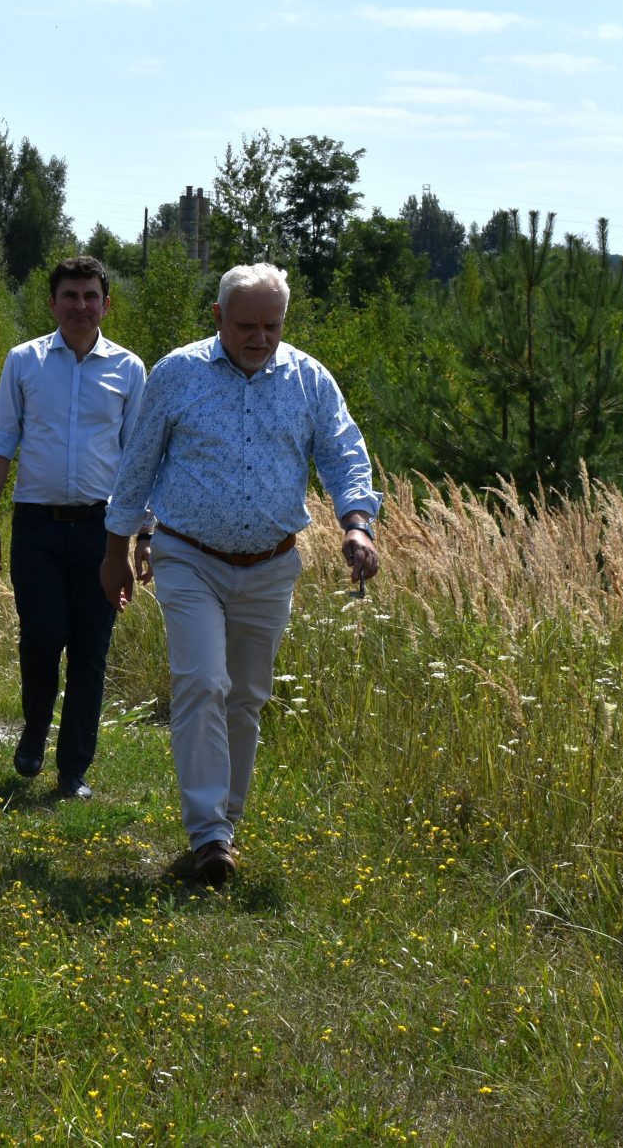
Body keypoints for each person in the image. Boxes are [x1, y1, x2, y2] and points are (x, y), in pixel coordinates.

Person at [101, 263, 380, 888]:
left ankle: (227, 821)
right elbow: (139, 462)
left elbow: (342, 450)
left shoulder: (308, 379)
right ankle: (208, 835)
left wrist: (356, 522)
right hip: (187, 555)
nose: (259, 339)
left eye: (272, 326)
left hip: (271, 563)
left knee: (247, 696)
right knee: (202, 681)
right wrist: (117, 547)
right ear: (218, 318)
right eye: (247, 325)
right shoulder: (178, 374)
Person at [0, 255, 148, 800]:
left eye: (90, 295)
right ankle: (33, 729)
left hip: (105, 531)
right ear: (52, 303)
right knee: (43, 636)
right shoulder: (23, 363)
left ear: (106, 303)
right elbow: (1, 441)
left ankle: (73, 770)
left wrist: (144, 535)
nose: (80, 306)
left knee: (91, 649)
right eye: (69, 296)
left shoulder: (130, 370)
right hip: (37, 528)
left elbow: (140, 458)